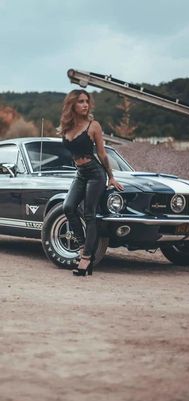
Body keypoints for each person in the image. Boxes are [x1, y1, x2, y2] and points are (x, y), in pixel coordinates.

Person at [59, 89, 123, 277]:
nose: (85, 105)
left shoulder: (93, 126)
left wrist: (111, 177)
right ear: (72, 104)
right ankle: (82, 247)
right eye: (80, 101)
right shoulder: (66, 127)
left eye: (87, 101)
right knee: (68, 207)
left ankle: (87, 257)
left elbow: (102, 154)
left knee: (89, 214)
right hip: (80, 173)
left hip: (96, 173)